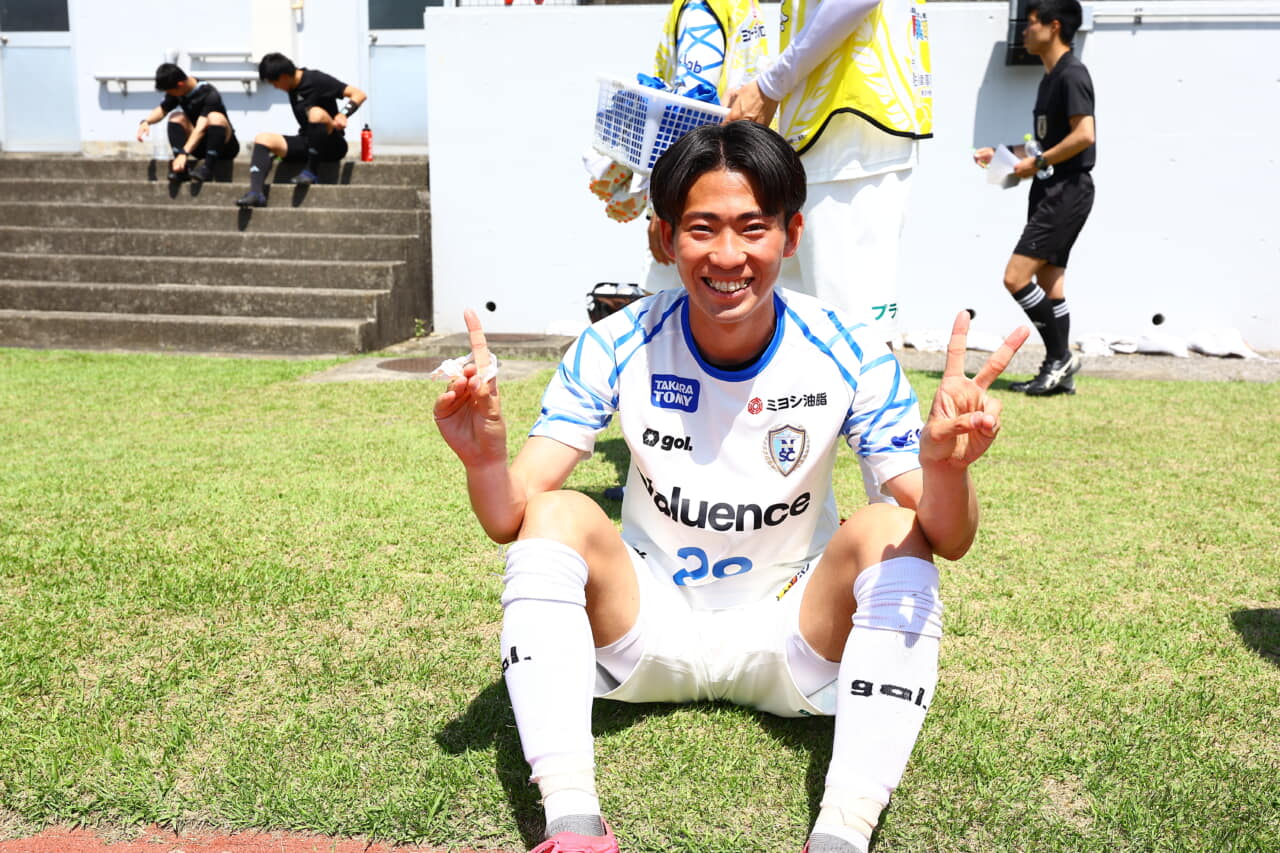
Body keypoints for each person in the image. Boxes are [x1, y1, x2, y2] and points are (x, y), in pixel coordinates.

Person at [434, 120, 1028, 853]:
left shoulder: (849, 350)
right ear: (663, 238)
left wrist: (946, 470)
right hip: (644, 631)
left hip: (795, 639)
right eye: (701, 228)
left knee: (890, 528)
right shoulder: (616, 342)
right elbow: (513, 516)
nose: (727, 255)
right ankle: (572, 820)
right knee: (556, 511)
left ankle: (843, 831)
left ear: (791, 233)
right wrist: (485, 462)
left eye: (752, 228)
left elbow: (946, 538)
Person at [725, 0, 933, 346]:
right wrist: (762, 85)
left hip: (850, 131)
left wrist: (768, 87)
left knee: (849, 330)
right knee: (796, 322)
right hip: (826, 135)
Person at [973, 0, 1095, 396]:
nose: (1023, 31)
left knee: (1015, 277)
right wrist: (1005, 154)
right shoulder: (1050, 78)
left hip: (1067, 190)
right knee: (1049, 282)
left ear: (1053, 26)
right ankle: (1058, 370)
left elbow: (1084, 135)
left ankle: (1061, 357)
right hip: (1051, 188)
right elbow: (1046, 143)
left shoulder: (1072, 75)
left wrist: (1038, 161)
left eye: (1030, 23)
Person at [644, 0, 769, 281]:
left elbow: (690, 111)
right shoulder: (741, 5)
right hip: (745, 181)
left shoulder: (702, 8)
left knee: (672, 301)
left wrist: (662, 205)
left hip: (699, 197)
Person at [235, 52, 367, 208]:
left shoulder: (316, 79)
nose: (275, 87)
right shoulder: (292, 87)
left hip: (332, 145)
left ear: (284, 76)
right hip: (308, 143)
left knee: (315, 113)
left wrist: (343, 114)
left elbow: (358, 94)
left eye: (274, 83)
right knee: (262, 138)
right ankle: (256, 193)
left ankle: (311, 172)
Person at [137, 63, 241, 184]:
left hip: (224, 147)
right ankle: (181, 169)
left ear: (180, 84)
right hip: (199, 147)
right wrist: (146, 122)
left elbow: (201, 128)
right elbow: (162, 109)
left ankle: (207, 168)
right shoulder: (178, 91)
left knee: (215, 118)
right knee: (176, 117)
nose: (169, 94)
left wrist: (184, 153)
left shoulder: (209, 93)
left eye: (169, 91)